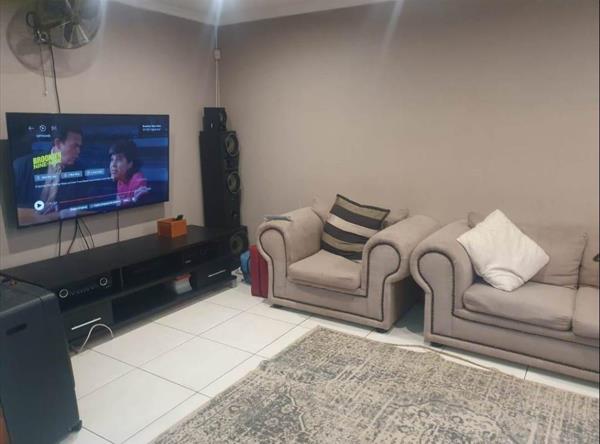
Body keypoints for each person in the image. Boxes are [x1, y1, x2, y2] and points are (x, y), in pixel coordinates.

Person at [13, 126, 86, 213]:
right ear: (58, 143)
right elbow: (13, 205)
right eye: (74, 146)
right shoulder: (23, 165)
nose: (78, 151)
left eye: (79, 147)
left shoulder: (78, 170)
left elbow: (79, 205)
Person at [108, 140, 150, 206]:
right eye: (112, 159)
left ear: (130, 163)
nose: (113, 164)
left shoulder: (138, 181)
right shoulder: (120, 181)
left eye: (119, 159)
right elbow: (119, 205)